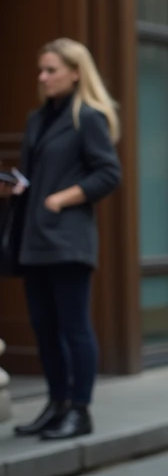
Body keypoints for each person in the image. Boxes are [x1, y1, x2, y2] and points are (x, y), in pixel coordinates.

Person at [0, 39, 121, 440]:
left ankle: (80, 411)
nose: (43, 77)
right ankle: (56, 405)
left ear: (75, 72)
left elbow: (108, 173)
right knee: (44, 327)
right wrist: (19, 187)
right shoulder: (37, 119)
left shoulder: (88, 118)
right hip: (32, 238)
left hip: (68, 239)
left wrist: (60, 198)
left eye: (51, 69)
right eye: (41, 70)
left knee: (74, 327)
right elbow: (36, 174)